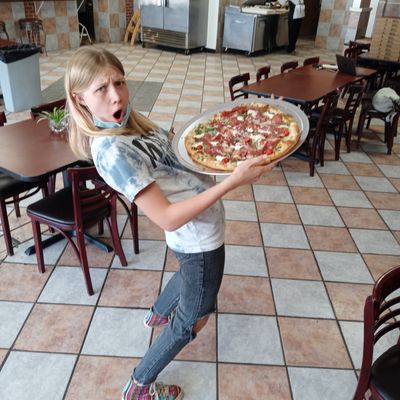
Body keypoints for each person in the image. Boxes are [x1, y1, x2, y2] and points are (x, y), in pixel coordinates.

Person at [64, 46, 276, 400]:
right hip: (198, 238)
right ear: (79, 98)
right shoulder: (113, 152)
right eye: (101, 88)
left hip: (196, 232)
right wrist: (232, 181)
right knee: (193, 320)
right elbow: (165, 217)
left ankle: (158, 313)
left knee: (190, 274)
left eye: (119, 82)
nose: (116, 95)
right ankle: (139, 384)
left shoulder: (127, 121)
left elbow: (169, 159)